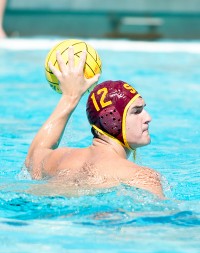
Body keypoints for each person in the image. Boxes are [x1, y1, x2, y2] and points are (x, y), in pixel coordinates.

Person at [25, 47, 164, 198]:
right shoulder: (141, 177)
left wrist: (70, 97)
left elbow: (33, 158)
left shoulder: (61, 159)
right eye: (137, 111)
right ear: (111, 120)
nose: (148, 117)